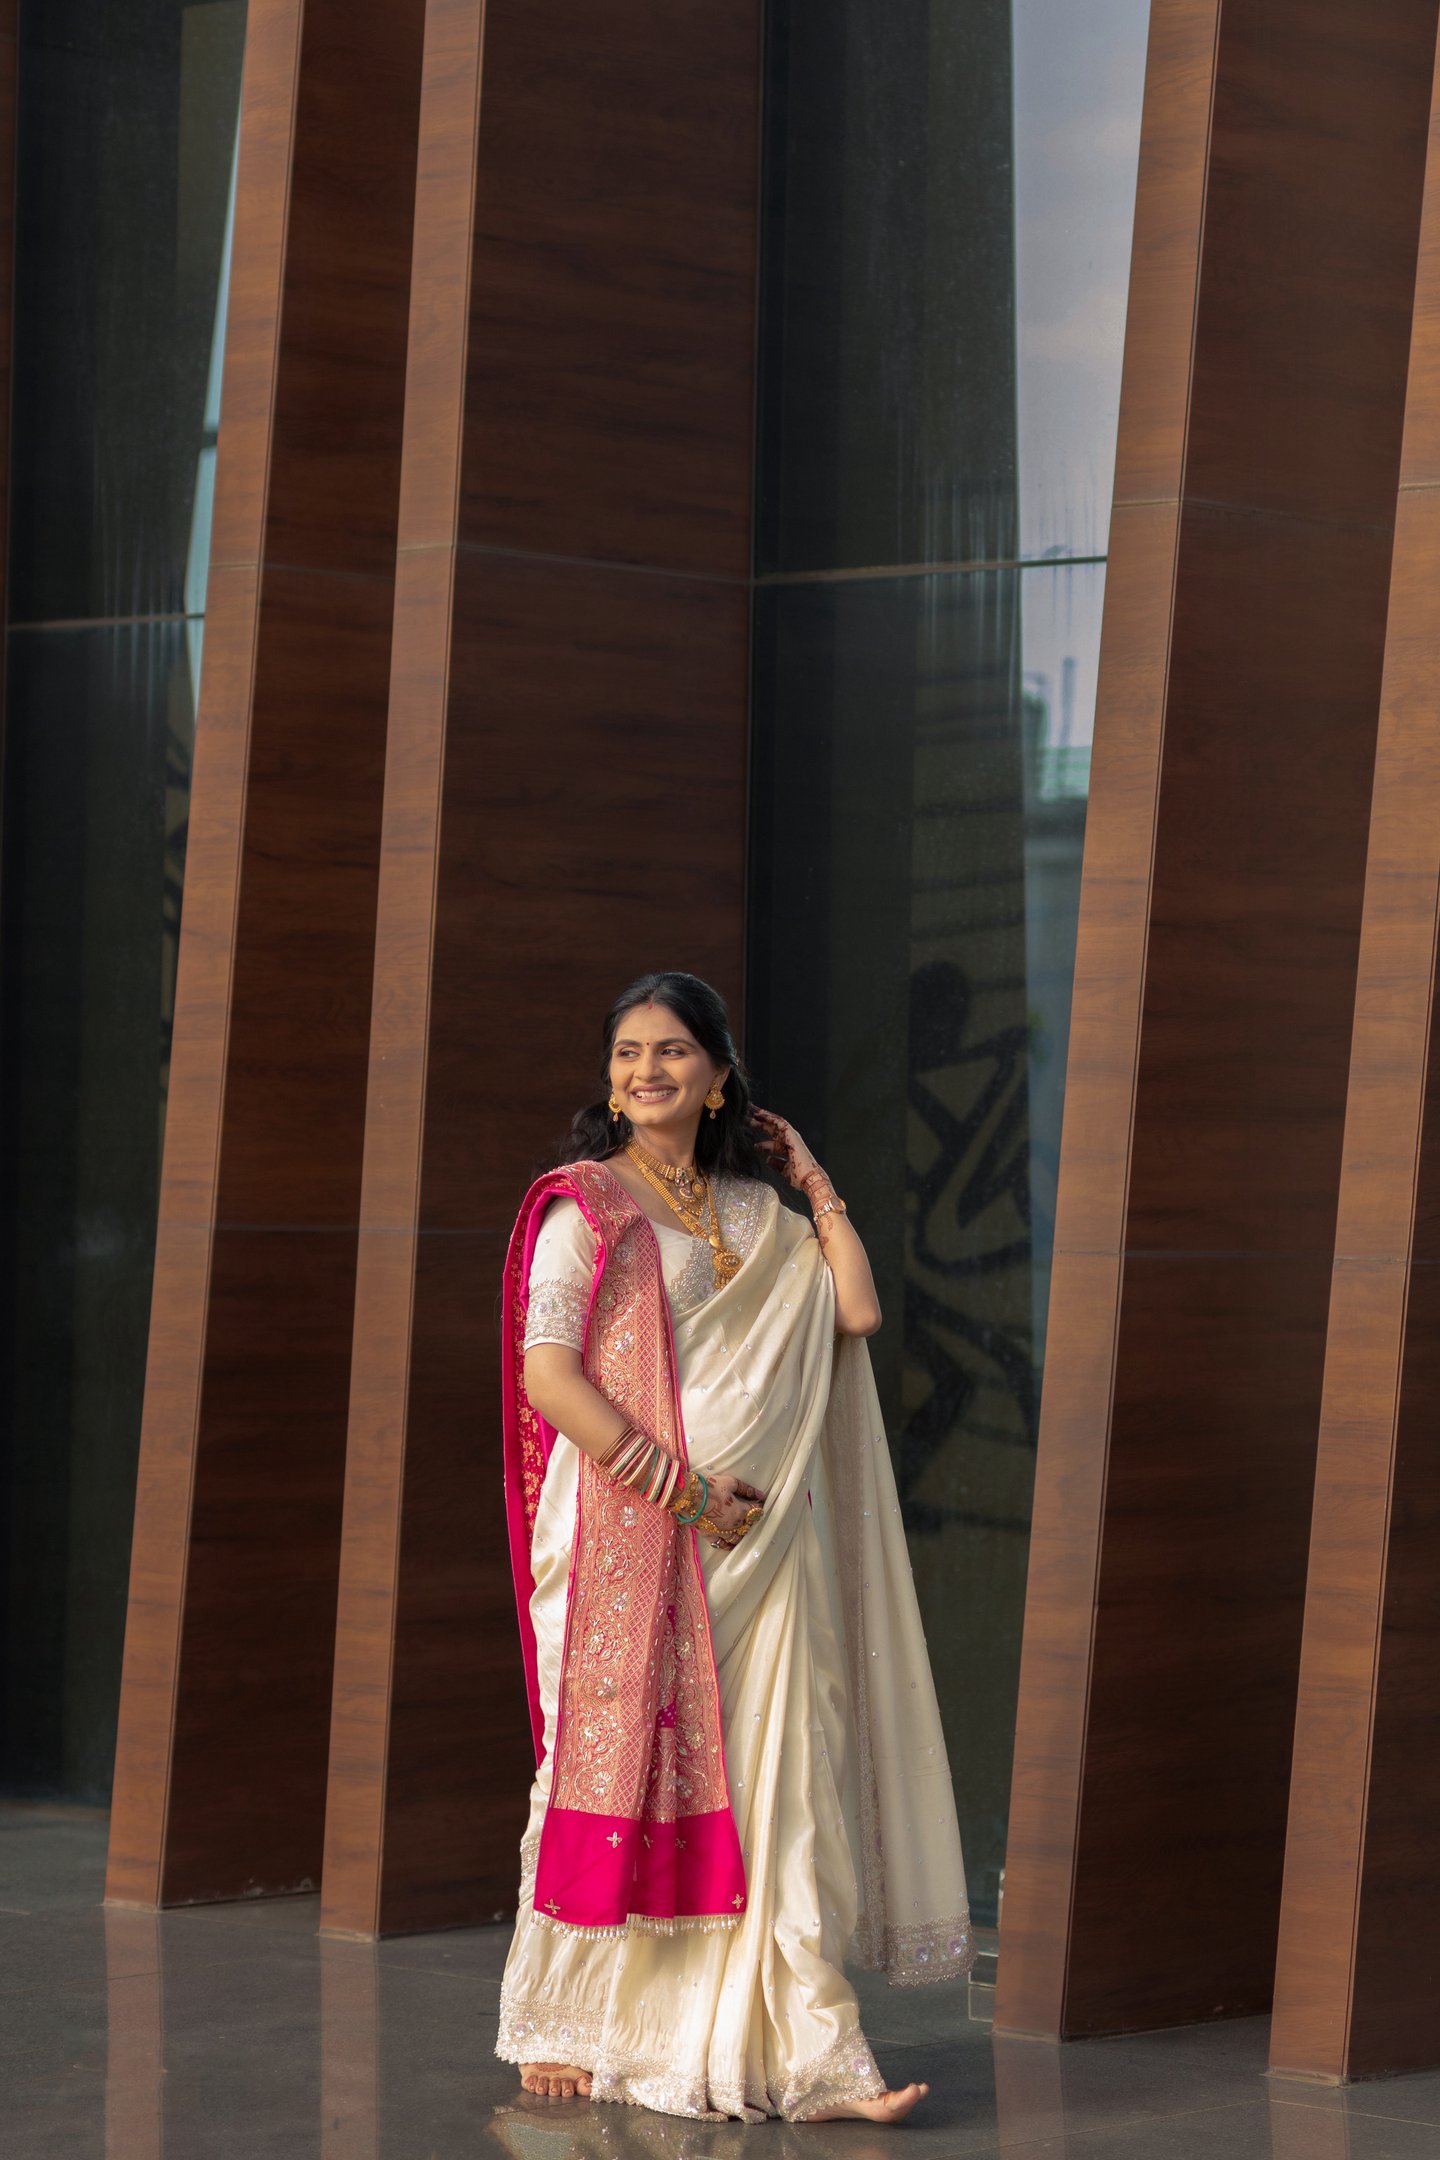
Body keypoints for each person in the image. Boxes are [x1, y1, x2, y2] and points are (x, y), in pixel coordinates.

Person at [495, 971, 973, 2123]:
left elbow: (854, 1311)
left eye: (670, 1053)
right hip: (639, 1538)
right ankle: (573, 2020)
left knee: (784, 1782)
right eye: (625, 1055)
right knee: (616, 1772)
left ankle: (815, 2052)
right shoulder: (585, 1206)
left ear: (717, 1079)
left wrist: (814, 1181)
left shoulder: (765, 1215)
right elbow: (546, 1374)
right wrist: (684, 1491)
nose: (644, 1073)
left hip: (768, 1548)